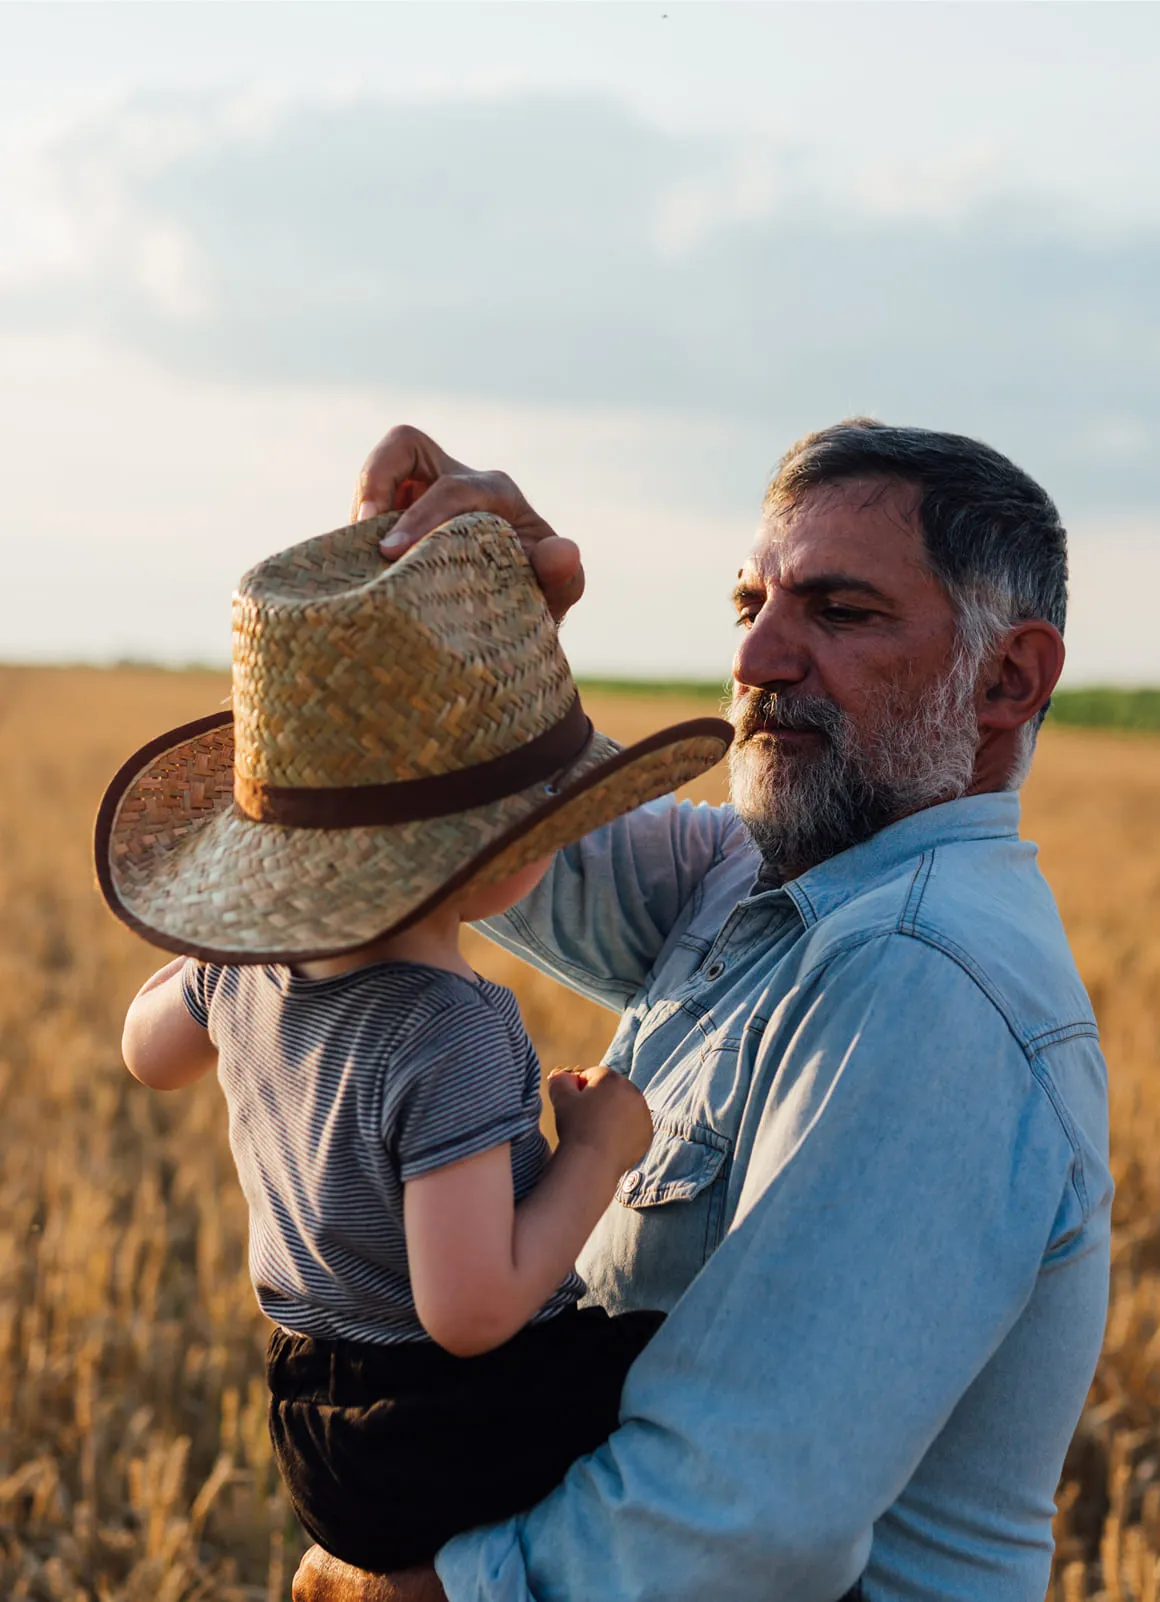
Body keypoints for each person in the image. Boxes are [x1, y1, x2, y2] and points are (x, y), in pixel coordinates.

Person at [294, 417, 1114, 1602]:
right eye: (750, 605)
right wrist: (477, 605)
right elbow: (466, 837)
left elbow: (738, 1515)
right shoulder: (763, 876)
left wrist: (419, 1588)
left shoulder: (926, 980)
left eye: (838, 612)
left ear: (1003, 681)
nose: (757, 659)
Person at [94, 510, 732, 1572]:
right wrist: (595, 1151)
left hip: (310, 1417)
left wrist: (218, 959)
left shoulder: (239, 968)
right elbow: (472, 1308)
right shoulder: (452, 1026)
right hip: (446, 1427)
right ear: (510, 848)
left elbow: (144, 1053)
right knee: (708, 1391)